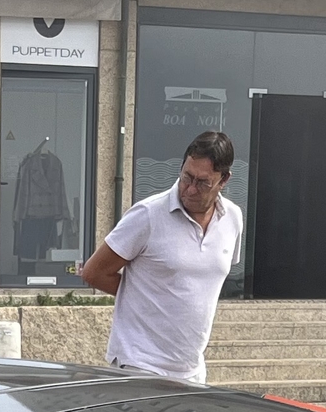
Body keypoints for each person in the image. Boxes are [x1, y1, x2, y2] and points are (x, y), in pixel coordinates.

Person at [78, 130, 243, 384]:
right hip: (139, 363)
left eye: (202, 182)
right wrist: (144, 295)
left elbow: (204, 281)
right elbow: (93, 272)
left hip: (192, 369)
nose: (189, 188)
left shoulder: (232, 218)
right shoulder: (148, 215)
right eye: (186, 176)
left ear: (224, 180)